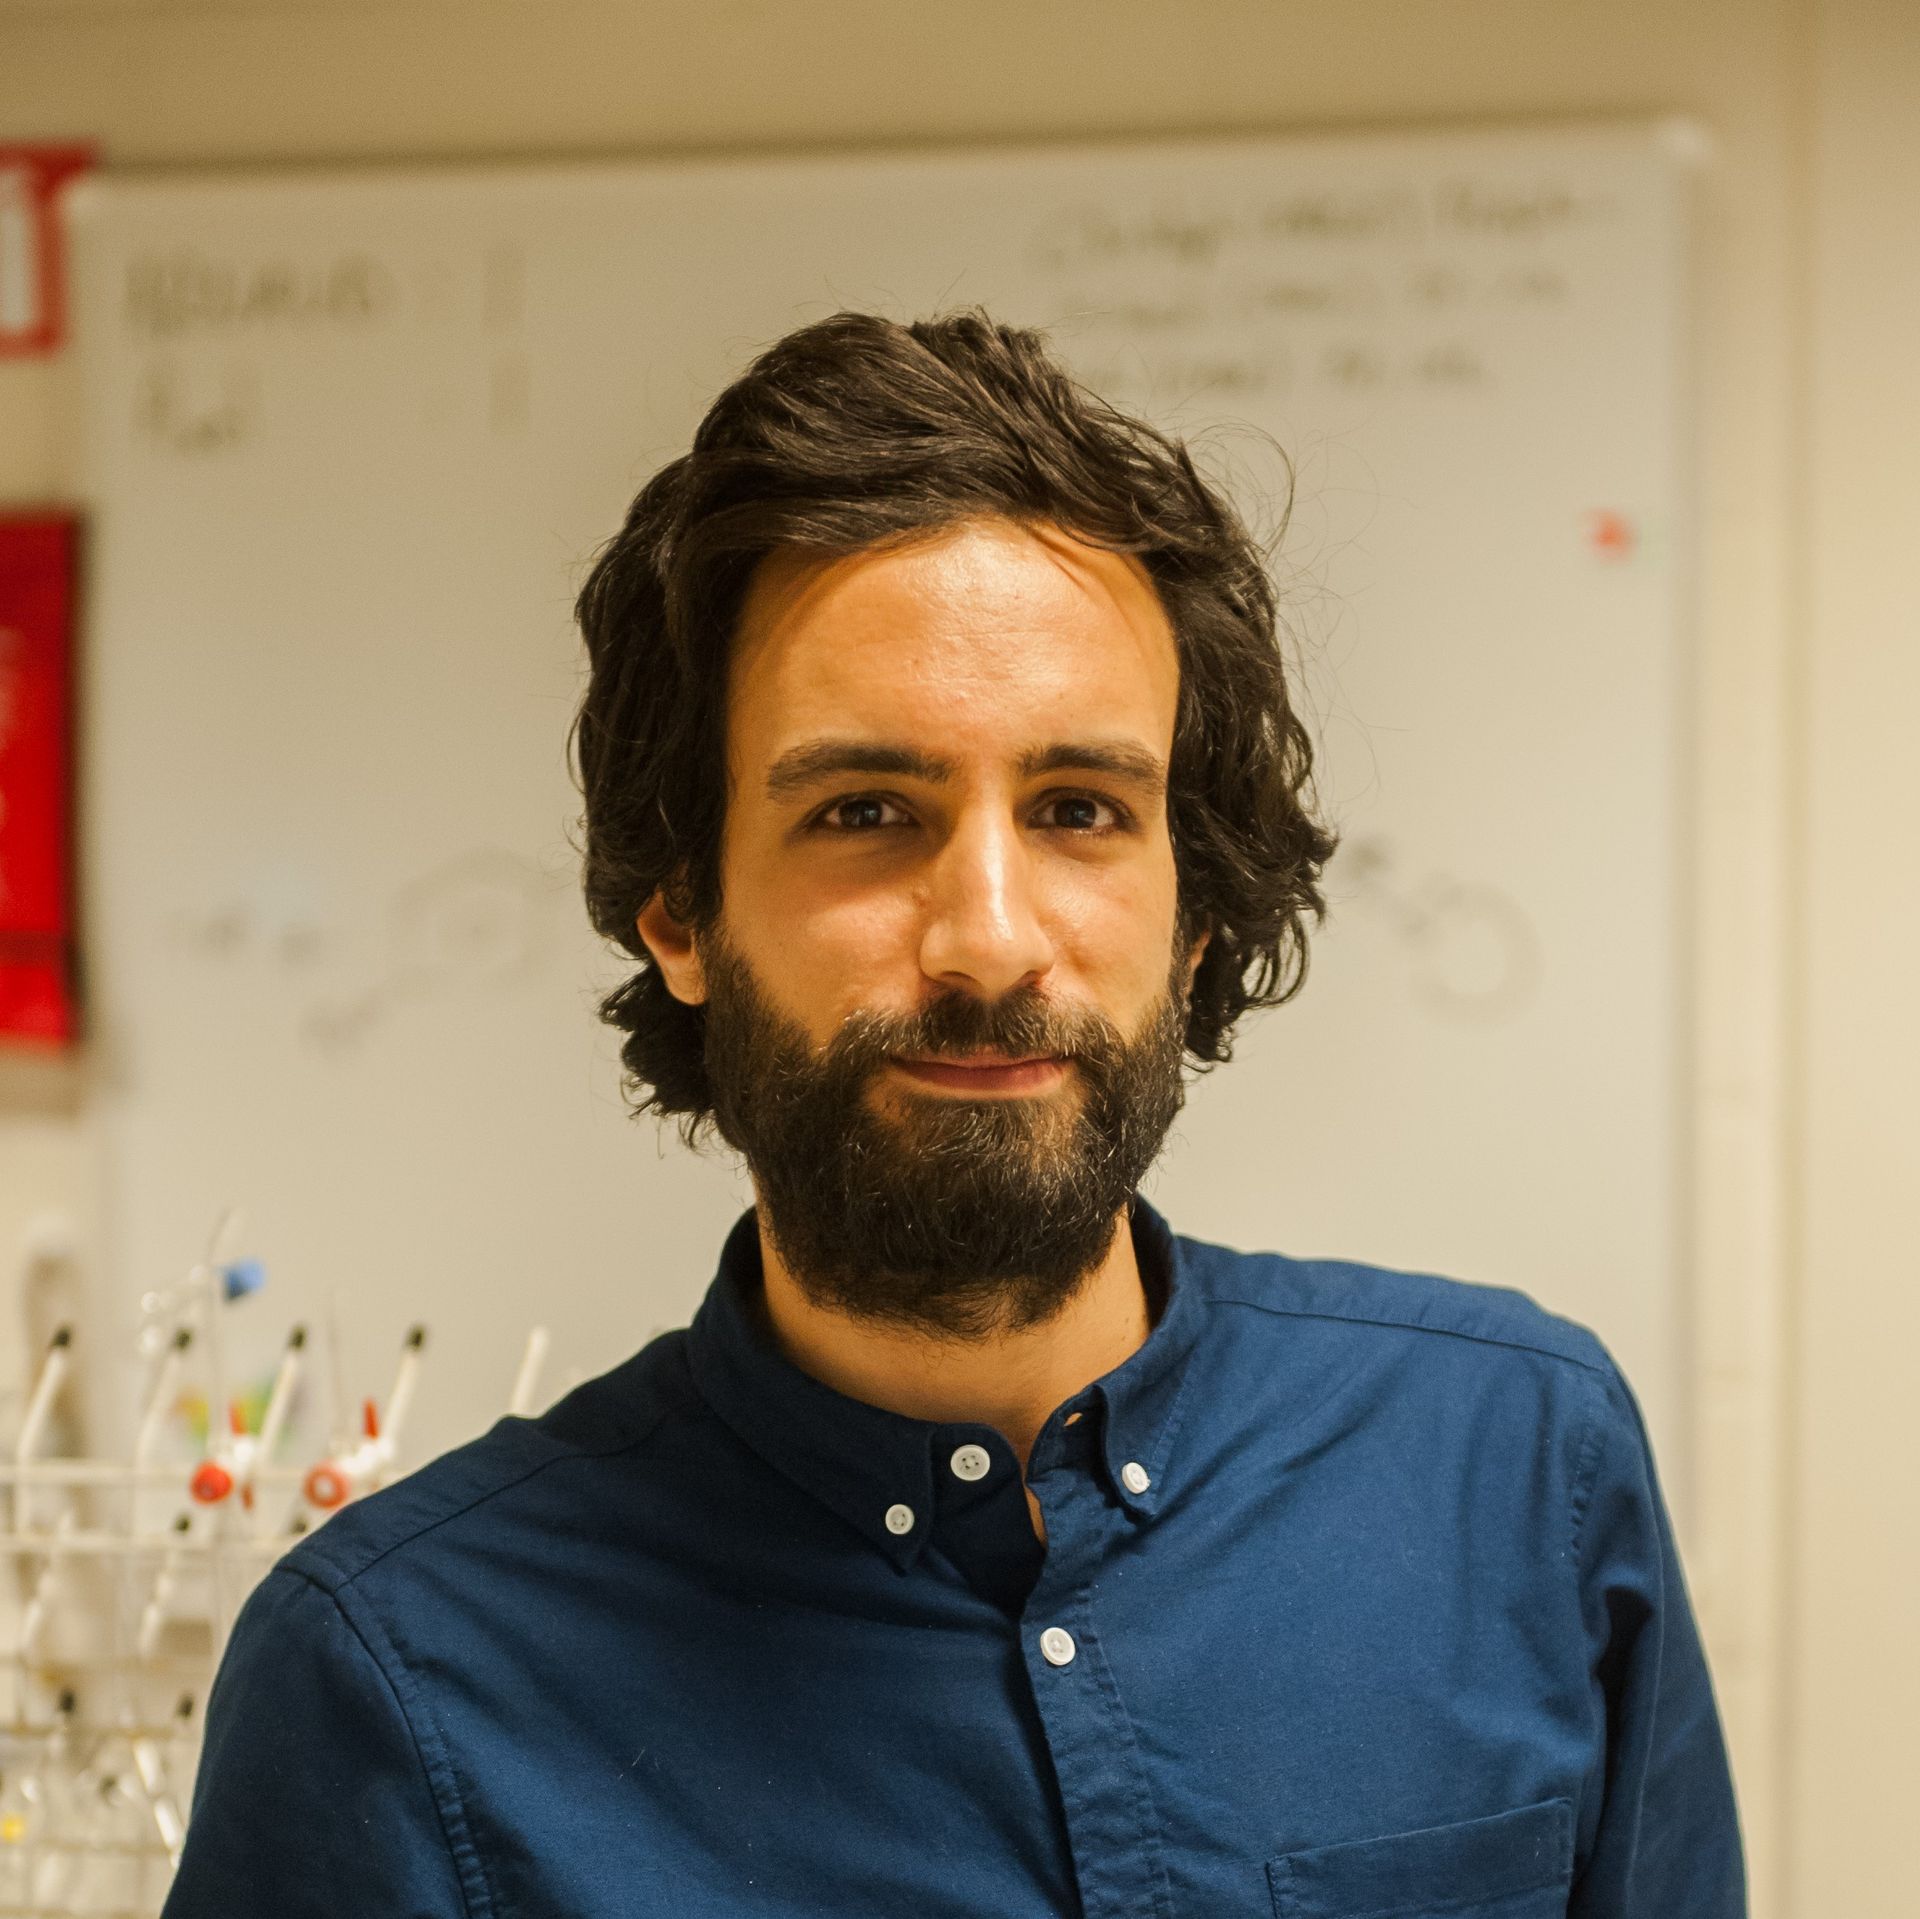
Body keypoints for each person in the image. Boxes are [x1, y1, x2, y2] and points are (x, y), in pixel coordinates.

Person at [164, 310, 1746, 1917]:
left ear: (1196, 912)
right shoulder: (396, 1684)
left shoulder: (1520, 1470)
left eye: (1080, 810)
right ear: (681, 909)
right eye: (865, 811)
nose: (988, 938)